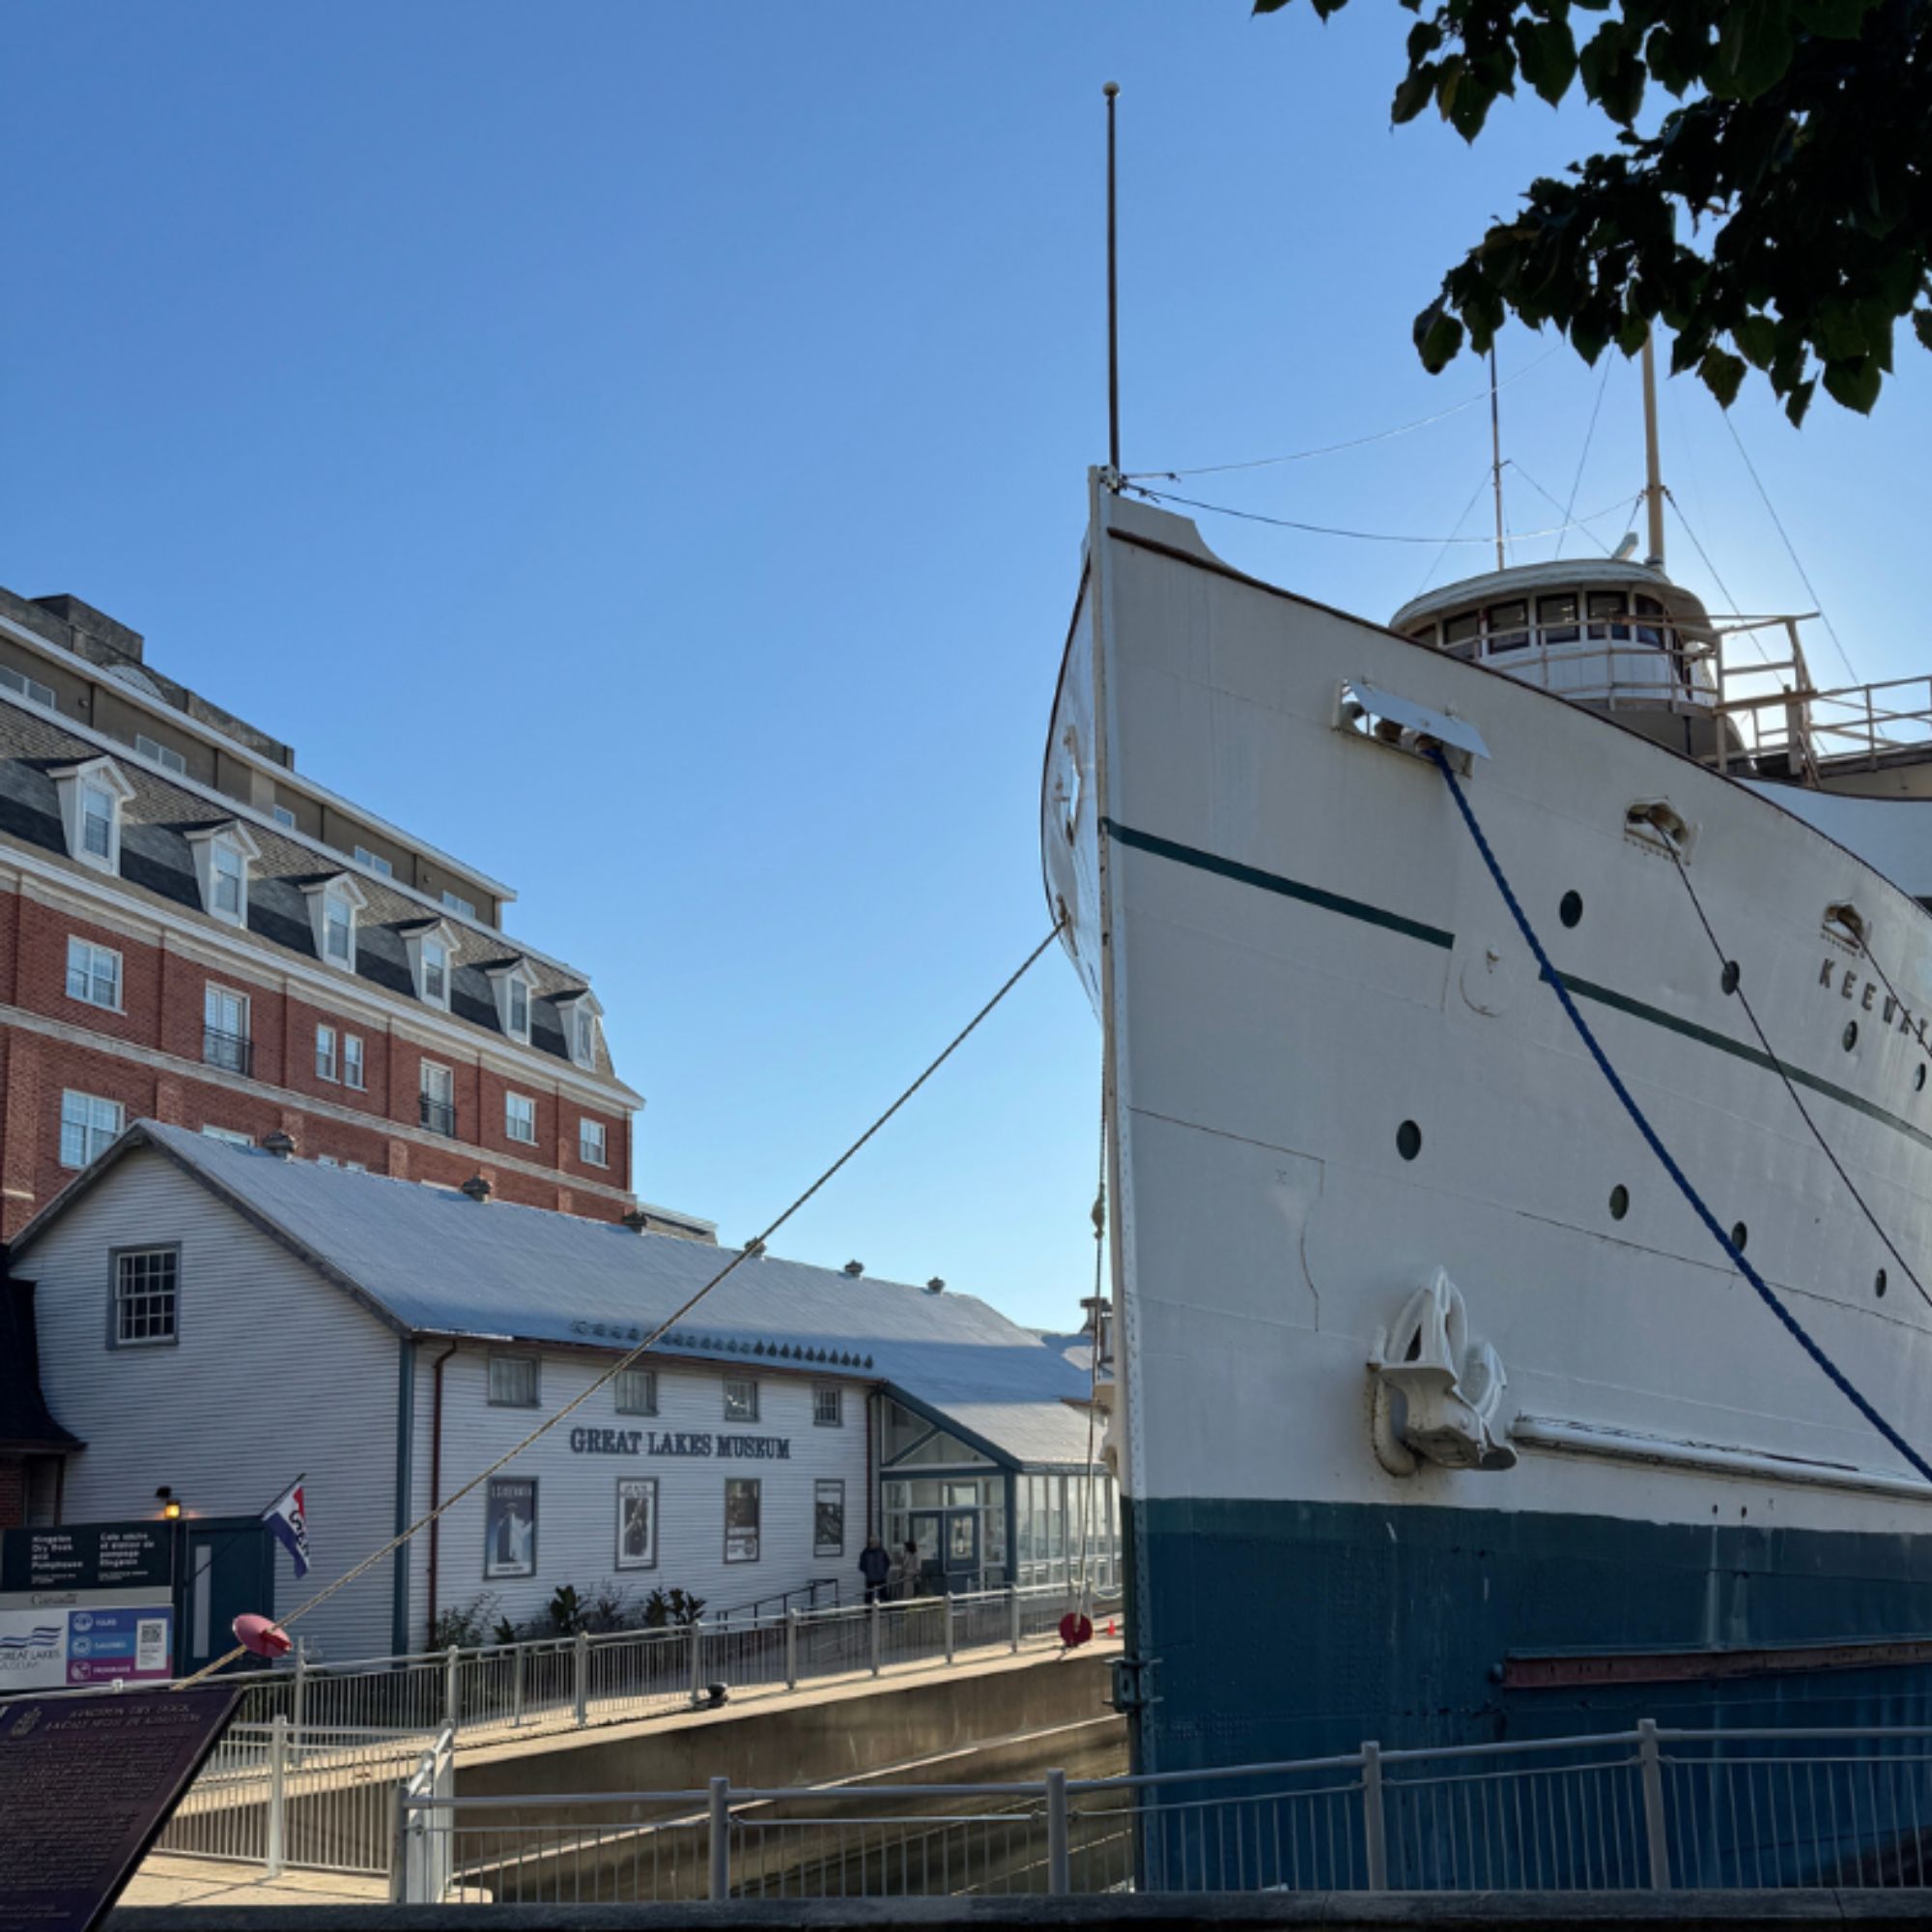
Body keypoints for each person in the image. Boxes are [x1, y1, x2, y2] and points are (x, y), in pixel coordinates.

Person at [859, 1535, 891, 1605]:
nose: (877, 1543)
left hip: (881, 1577)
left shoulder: (882, 1552)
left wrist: (883, 1571)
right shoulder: (865, 1553)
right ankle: (868, 1613)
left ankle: (887, 1611)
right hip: (870, 1579)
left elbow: (887, 1562)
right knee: (869, 1597)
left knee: (884, 1596)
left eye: (877, 1542)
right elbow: (861, 1566)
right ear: (871, 1543)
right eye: (875, 1542)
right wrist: (868, 1572)